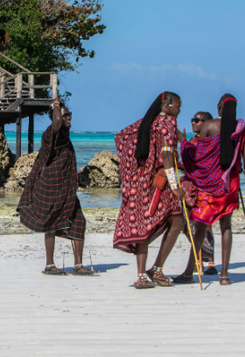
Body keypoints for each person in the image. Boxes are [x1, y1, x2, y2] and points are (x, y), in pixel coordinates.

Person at [113, 92, 186, 289]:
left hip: (141, 181)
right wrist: (176, 186)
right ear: (168, 106)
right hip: (160, 183)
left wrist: (137, 167)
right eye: (178, 106)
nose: (179, 110)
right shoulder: (168, 122)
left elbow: (121, 137)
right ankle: (157, 269)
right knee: (177, 221)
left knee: (143, 225)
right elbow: (167, 156)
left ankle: (142, 276)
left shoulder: (146, 122)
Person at [17, 97, 96, 276]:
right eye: (65, 115)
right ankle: (49, 265)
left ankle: (78, 265)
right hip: (50, 187)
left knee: (79, 221)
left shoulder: (64, 137)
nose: (69, 117)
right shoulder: (51, 134)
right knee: (50, 224)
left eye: (69, 114)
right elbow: (57, 120)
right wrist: (56, 104)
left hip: (66, 189)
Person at [175, 94, 245, 286]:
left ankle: (189, 272)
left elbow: (198, 157)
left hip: (209, 186)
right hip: (230, 183)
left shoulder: (209, 125)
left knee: (201, 227)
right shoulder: (240, 128)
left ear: (219, 106)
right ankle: (224, 276)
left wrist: (183, 142)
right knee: (226, 227)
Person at [179, 112, 217, 275]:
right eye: (192, 120)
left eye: (197, 120)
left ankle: (210, 263)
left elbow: (199, 165)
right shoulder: (193, 141)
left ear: (207, 123)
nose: (193, 123)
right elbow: (189, 164)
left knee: (204, 225)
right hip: (189, 189)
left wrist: (182, 142)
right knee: (189, 225)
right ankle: (198, 259)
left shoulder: (210, 142)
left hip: (204, 188)